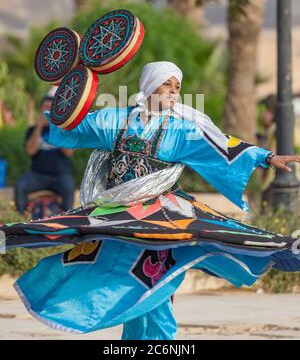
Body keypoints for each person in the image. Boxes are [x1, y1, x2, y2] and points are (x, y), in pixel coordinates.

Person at [2, 61, 300, 340]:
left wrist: (267, 157)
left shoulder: (181, 129)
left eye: (177, 87)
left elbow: (223, 146)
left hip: (161, 219)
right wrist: (71, 94)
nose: (173, 92)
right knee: (118, 282)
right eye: (166, 85)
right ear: (150, 86)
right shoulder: (115, 120)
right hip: (119, 217)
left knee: (155, 285)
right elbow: (71, 128)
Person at [14, 95, 75, 214]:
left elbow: (69, 152)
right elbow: (30, 151)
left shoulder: (64, 130)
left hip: (60, 176)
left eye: (52, 108)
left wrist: (56, 127)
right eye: (45, 107)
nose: (48, 111)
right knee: (20, 185)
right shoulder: (32, 130)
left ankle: (66, 217)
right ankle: (21, 217)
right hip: (37, 175)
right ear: (40, 110)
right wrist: (39, 126)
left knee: (69, 187)